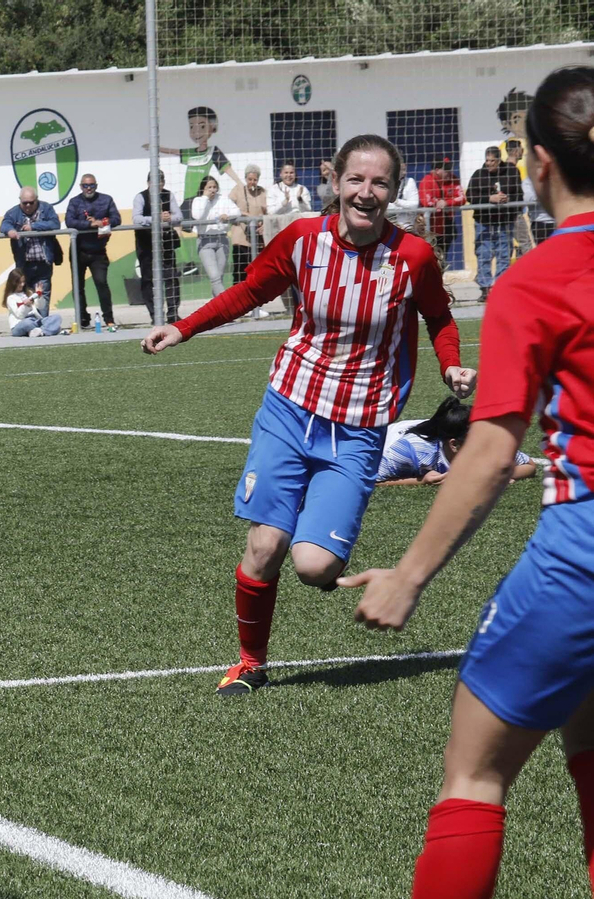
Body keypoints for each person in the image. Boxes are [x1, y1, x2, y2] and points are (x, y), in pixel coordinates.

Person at [340, 67, 594, 898]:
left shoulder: (538, 278)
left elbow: (488, 455)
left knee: (476, 776)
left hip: (583, 557)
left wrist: (407, 576)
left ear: (537, 165)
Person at [141, 133, 474, 697]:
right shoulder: (302, 239)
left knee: (315, 567)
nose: (366, 192)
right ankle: (250, 662)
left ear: (394, 190)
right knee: (265, 546)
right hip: (289, 409)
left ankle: (316, 531)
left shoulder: (412, 255)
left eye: (380, 182)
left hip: (360, 426)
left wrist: (452, 367)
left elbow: (439, 318)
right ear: (336, 182)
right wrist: (184, 326)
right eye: (356, 180)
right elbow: (250, 290)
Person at [376, 397, 536, 486]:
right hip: (384, 440)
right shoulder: (413, 450)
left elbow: (529, 466)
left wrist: (494, 475)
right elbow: (374, 480)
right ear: (454, 445)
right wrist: (420, 480)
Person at [466, 145, 525, 301]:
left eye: (493, 160)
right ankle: (485, 289)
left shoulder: (512, 172)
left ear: (499, 160)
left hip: (505, 221)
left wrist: (508, 200)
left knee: (504, 255)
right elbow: (470, 195)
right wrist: (489, 199)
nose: (489, 164)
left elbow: (519, 195)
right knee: (483, 254)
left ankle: (500, 288)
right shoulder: (479, 174)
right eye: (487, 160)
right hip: (484, 222)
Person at [65, 174, 121, 332]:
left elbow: (116, 219)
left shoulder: (106, 200)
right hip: (78, 250)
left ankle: (109, 319)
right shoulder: (74, 202)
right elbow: (70, 221)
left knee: (101, 283)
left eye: (91, 185)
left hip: (98, 251)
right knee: (78, 286)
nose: (88, 188)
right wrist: (89, 224)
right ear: (80, 186)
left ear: (96, 185)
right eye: (85, 185)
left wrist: (102, 222)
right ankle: (82, 318)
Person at [0, 187, 62, 316]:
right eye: (24, 203)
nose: (28, 205)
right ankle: (28, 325)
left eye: (31, 202)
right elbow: (4, 224)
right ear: (20, 201)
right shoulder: (13, 212)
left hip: (43, 263)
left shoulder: (46, 209)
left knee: (42, 297)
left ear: (36, 200)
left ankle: (43, 324)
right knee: (23, 297)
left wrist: (33, 227)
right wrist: (10, 230)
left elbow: (55, 224)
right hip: (24, 265)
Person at [133, 171, 184, 321]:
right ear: (148, 183)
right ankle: (155, 314)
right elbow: (136, 218)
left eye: (161, 182)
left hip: (166, 243)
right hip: (146, 244)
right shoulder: (140, 197)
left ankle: (173, 313)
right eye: (155, 182)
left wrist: (169, 218)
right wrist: (156, 218)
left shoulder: (169, 195)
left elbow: (179, 216)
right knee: (148, 279)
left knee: (171, 278)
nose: (159, 185)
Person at [189, 174, 241, 302]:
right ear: (203, 189)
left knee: (219, 277)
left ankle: (217, 310)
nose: (212, 190)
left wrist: (227, 215)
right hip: (205, 241)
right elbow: (197, 215)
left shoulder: (223, 199)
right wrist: (206, 198)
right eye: (209, 187)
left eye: (214, 187)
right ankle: (228, 306)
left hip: (222, 240)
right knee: (214, 276)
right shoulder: (198, 201)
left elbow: (237, 211)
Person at [419, 158, 467, 267]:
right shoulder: (427, 181)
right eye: (446, 169)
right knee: (428, 256)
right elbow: (426, 201)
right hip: (430, 227)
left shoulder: (453, 179)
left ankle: (440, 279)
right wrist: (438, 202)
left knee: (442, 257)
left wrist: (446, 202)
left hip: (447, 225)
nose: (449, 172)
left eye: (450, 169)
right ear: (437, 170)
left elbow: (462, 198)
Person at [229, 164, 268, 294]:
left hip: (257, 237)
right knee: (240, 270)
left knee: (256, 271)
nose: (252, 182)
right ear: (246, 178)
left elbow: (268, 210)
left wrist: (264, 224)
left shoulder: (262, 192)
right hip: (241, 236)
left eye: (255, 180)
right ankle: (236, 299)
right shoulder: (238, 190)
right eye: (250, 179)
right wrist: (242, 213)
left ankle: (254, 302)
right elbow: (227, 206)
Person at [5, 269, 62, 337]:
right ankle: (47, 330)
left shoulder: (28, 292)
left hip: (35, 321)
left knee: (57, 317)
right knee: (28, 323)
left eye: (23, 282)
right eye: (19, 282)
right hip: (20, 324)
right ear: (13, 283)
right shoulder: (11, 298)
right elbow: (19, 315)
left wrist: (39, 296)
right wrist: (26, 305)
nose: (22, 284)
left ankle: (39, 332)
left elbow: (41, 306)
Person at [264, 162, 312, 242]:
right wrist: (284, 203)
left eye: (291, 173)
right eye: (286, 172)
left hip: (299, 230)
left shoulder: (302, 188)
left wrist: (300, 199)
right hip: (280, 230)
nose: (289, 175)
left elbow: (308, 210)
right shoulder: (273, 189)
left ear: (295, 174)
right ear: (281, 174)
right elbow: (271, 212)